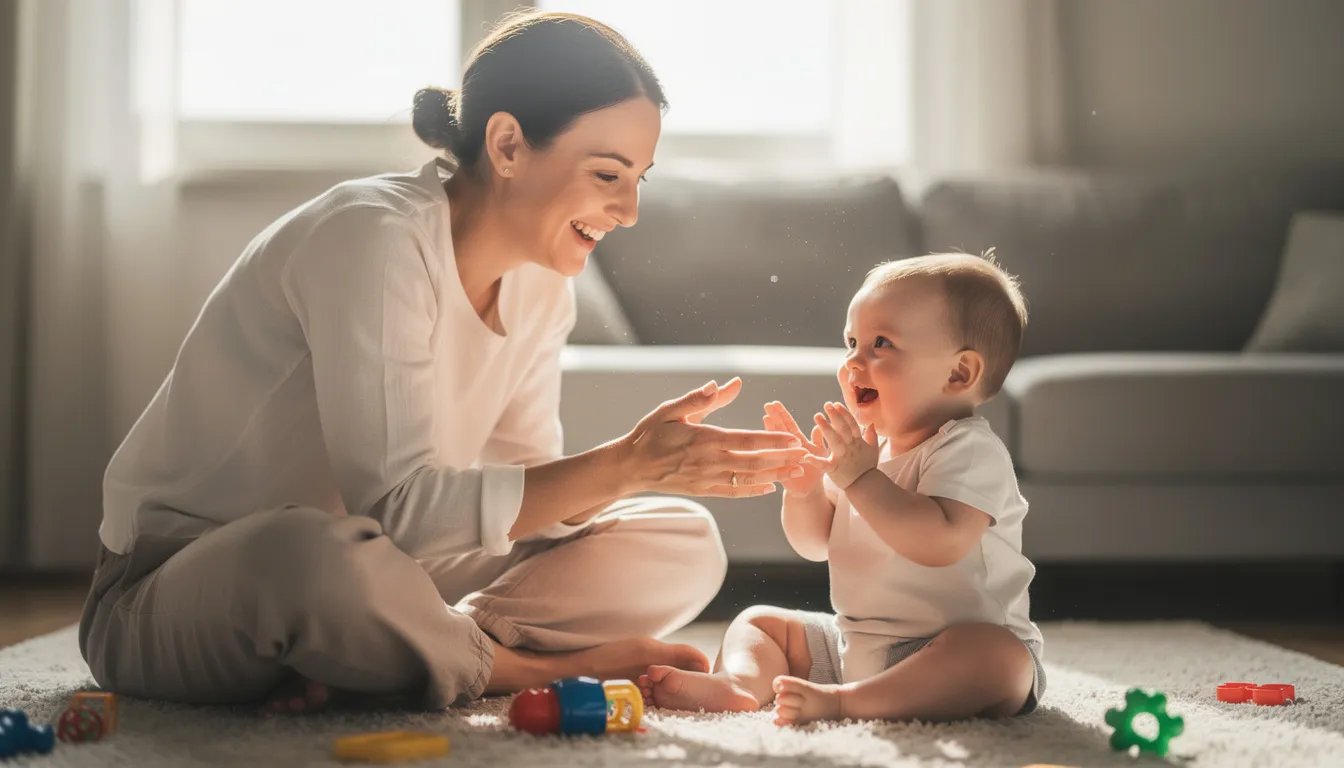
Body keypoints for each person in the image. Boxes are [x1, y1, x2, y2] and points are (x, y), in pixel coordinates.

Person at [77, 11, 807, 713]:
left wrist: (637, 474)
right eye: (608, 174)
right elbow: (399, 511)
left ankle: (408, 655)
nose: (629, 212)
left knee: (682, 539)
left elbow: (519, 496)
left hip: (391, 571)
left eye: (639, 179)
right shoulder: (373, 238)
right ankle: (516, 668)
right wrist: (620, 463)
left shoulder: (544, 287)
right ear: (509, 145)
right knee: (312, 555)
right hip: (182, 585)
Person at [638, 252, 1046, 725]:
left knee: (997, 659)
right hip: (852, 643)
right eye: (851, 341)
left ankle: (847, 702)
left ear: (958, 373)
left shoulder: (969, 450)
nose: (854, 360)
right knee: (761, 621)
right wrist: (807, 491)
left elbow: (939, 543)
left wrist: (860, 479)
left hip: (952, 648)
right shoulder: (865, 450)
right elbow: (815, 544)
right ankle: (740, 683)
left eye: (881, 344)